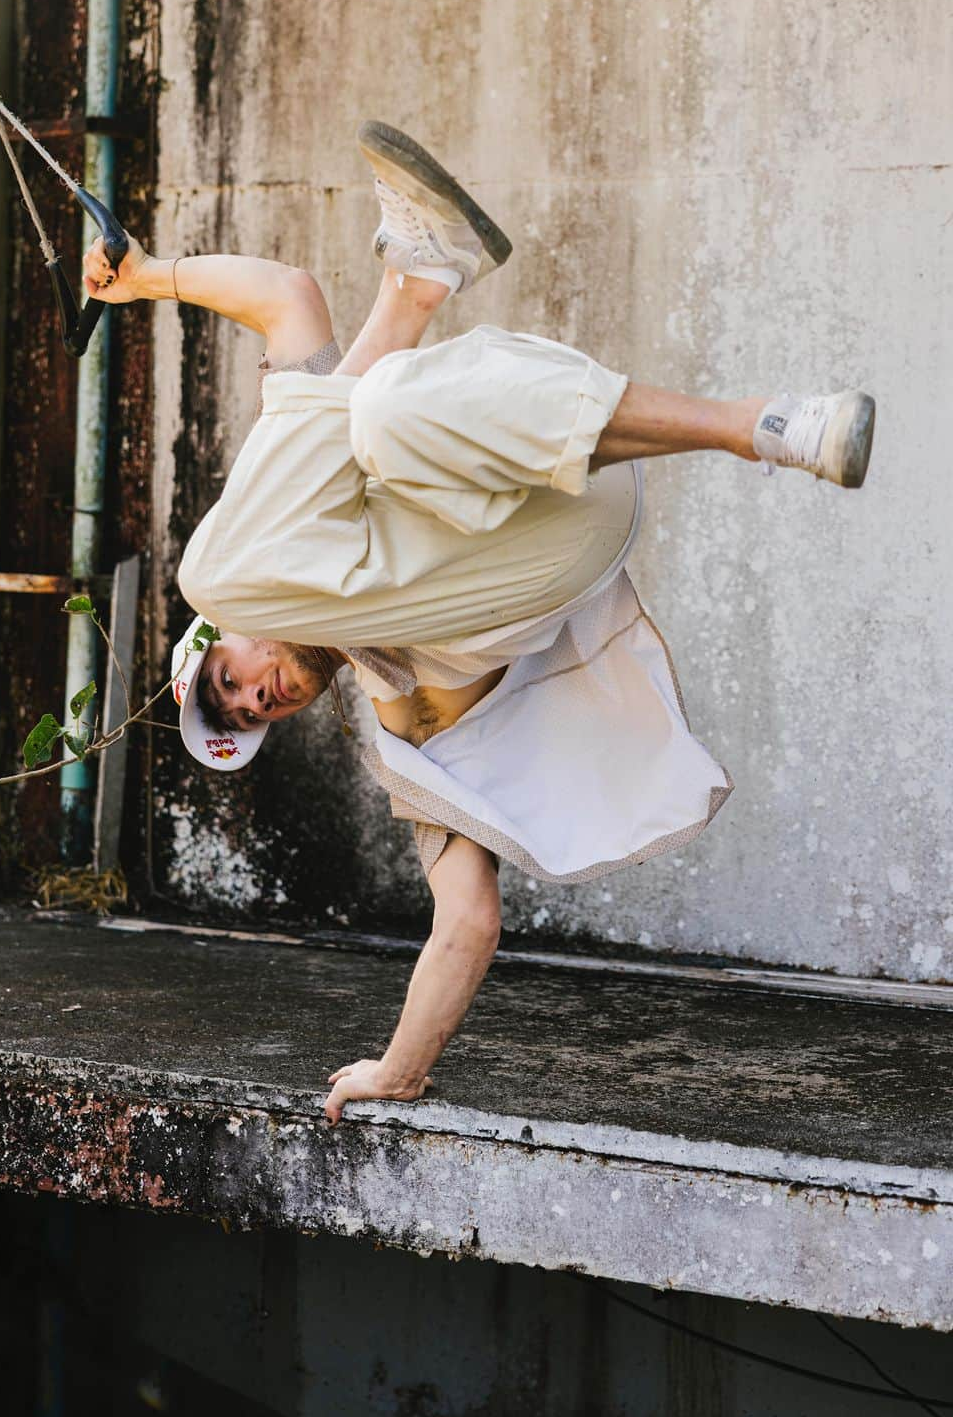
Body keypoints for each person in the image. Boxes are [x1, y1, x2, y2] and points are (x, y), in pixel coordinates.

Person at [84, 122, 875, 1123]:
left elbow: (288, 299)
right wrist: (399, 1069)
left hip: (561, 468)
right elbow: (467, 920)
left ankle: (753, 422)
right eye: (248, 715)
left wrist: (148, 276)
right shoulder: (406, 727)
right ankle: (419, 279)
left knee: (372, 409)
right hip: (551, 565)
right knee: (245, 540)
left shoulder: (300, 534)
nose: (257, 698)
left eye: (228, 680)